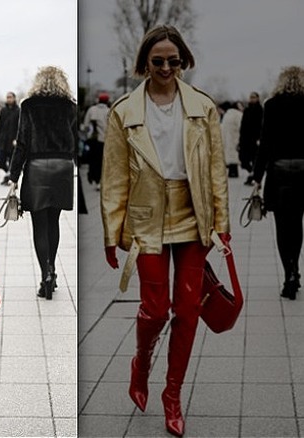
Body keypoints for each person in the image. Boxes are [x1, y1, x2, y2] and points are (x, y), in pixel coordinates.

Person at [100, 25, 230, 437]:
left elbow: (215, 170)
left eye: (174, 61)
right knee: (155, 308)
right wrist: (110, 231)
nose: (167, 68)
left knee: (188, 311)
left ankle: (172, 395)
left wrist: (222, 224)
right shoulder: (124, 111)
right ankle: (141, 363)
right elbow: (115, 175)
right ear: (145, 63)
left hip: (193, 216)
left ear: (184, 61)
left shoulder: (203, 108)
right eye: (158, 61)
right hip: (145, 218)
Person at [9, 66, 77, 299]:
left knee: (39, 225)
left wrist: (13, 176)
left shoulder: (28, 106)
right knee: (54, 222)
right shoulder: (69, 107)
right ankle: (53, 269)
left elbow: (23, 143)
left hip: (37, 168)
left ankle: (45, 274)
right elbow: (75, 141)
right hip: (62, 167)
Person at [252, 66, 304, 300]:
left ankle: (289, 273)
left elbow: (265, 144)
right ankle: (295, 268)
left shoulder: (271, 106)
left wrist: (257, 178)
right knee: (298, 224)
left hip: (279, 173)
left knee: (283, 227)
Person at [82, 92, 110, 187]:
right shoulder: (109, 111)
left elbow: (85, 125)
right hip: (105, 141)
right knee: (102, 161)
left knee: (93, 160)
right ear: (107, 101)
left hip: (93, 140)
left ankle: (93, 177)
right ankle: (100, 181)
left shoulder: (91, 110)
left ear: (98, 100)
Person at [239, 91, 263, 185]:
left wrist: (260, 138)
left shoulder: (260, 110)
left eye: (254, 97)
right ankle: (251, 173)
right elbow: (243, 125)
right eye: (251, 97)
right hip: (246, 139)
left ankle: (253, 176)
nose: (252, 99)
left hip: (255, 139)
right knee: (243, 159)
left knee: (254, 159)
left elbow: (262, 125)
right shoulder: (247, 110)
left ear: (257, 98)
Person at [0, 91, 20, 185]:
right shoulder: (3, 110)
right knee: (0, 158)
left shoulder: (18, 111)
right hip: (3, 139)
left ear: (14, 98)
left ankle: (9, 177)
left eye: (10, 97)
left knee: (11, 160)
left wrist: (17, 138)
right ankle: (7, 173)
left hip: (12, 140)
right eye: (7, 97)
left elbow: (19, 126)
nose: (8, 99)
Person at [220, 101, 242, 178]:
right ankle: (234, 172)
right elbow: (241, 126)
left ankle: (232, 172)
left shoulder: (227, 115)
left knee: (230, 154)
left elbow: (222, 128)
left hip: (228, 138)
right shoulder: (238, 115)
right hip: (236, 137)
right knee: (234, 155)